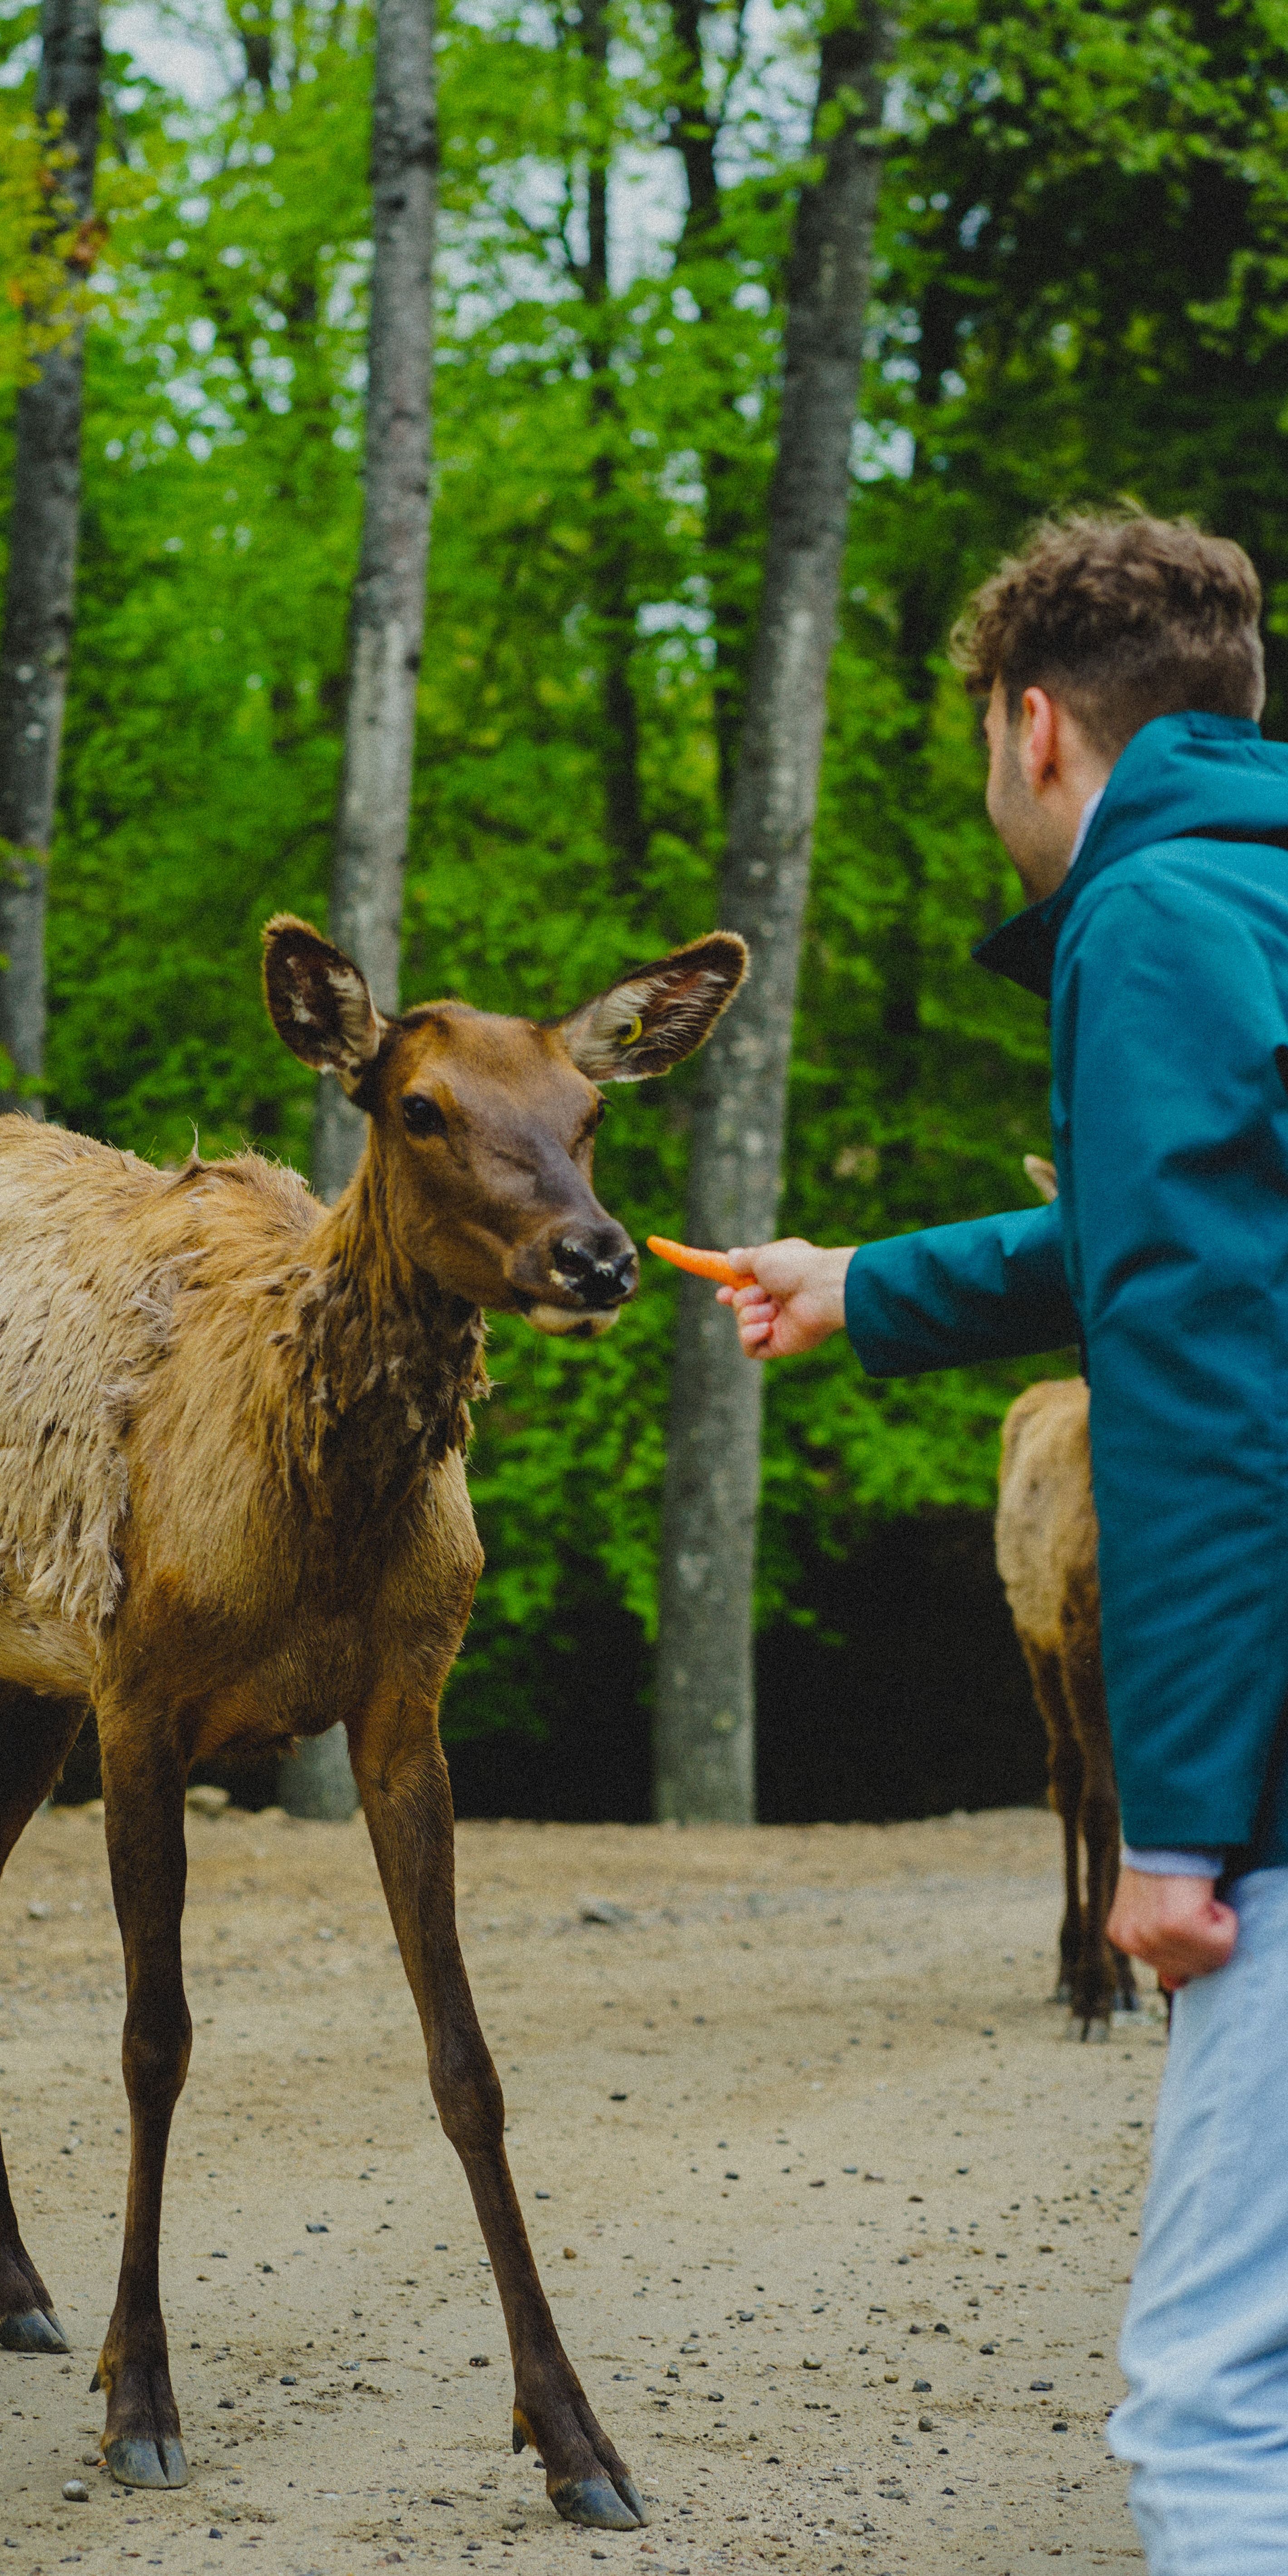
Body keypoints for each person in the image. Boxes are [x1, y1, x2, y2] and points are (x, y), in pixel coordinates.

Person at [700, 510, 1288, 2576]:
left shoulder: (1148, 924)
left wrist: (1186, 1825)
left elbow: (1208, 1360)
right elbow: (1182, 1215)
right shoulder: (1269, 897)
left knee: (1217, 2398)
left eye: (979, 741)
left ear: (1039, 728)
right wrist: (871, 1283)